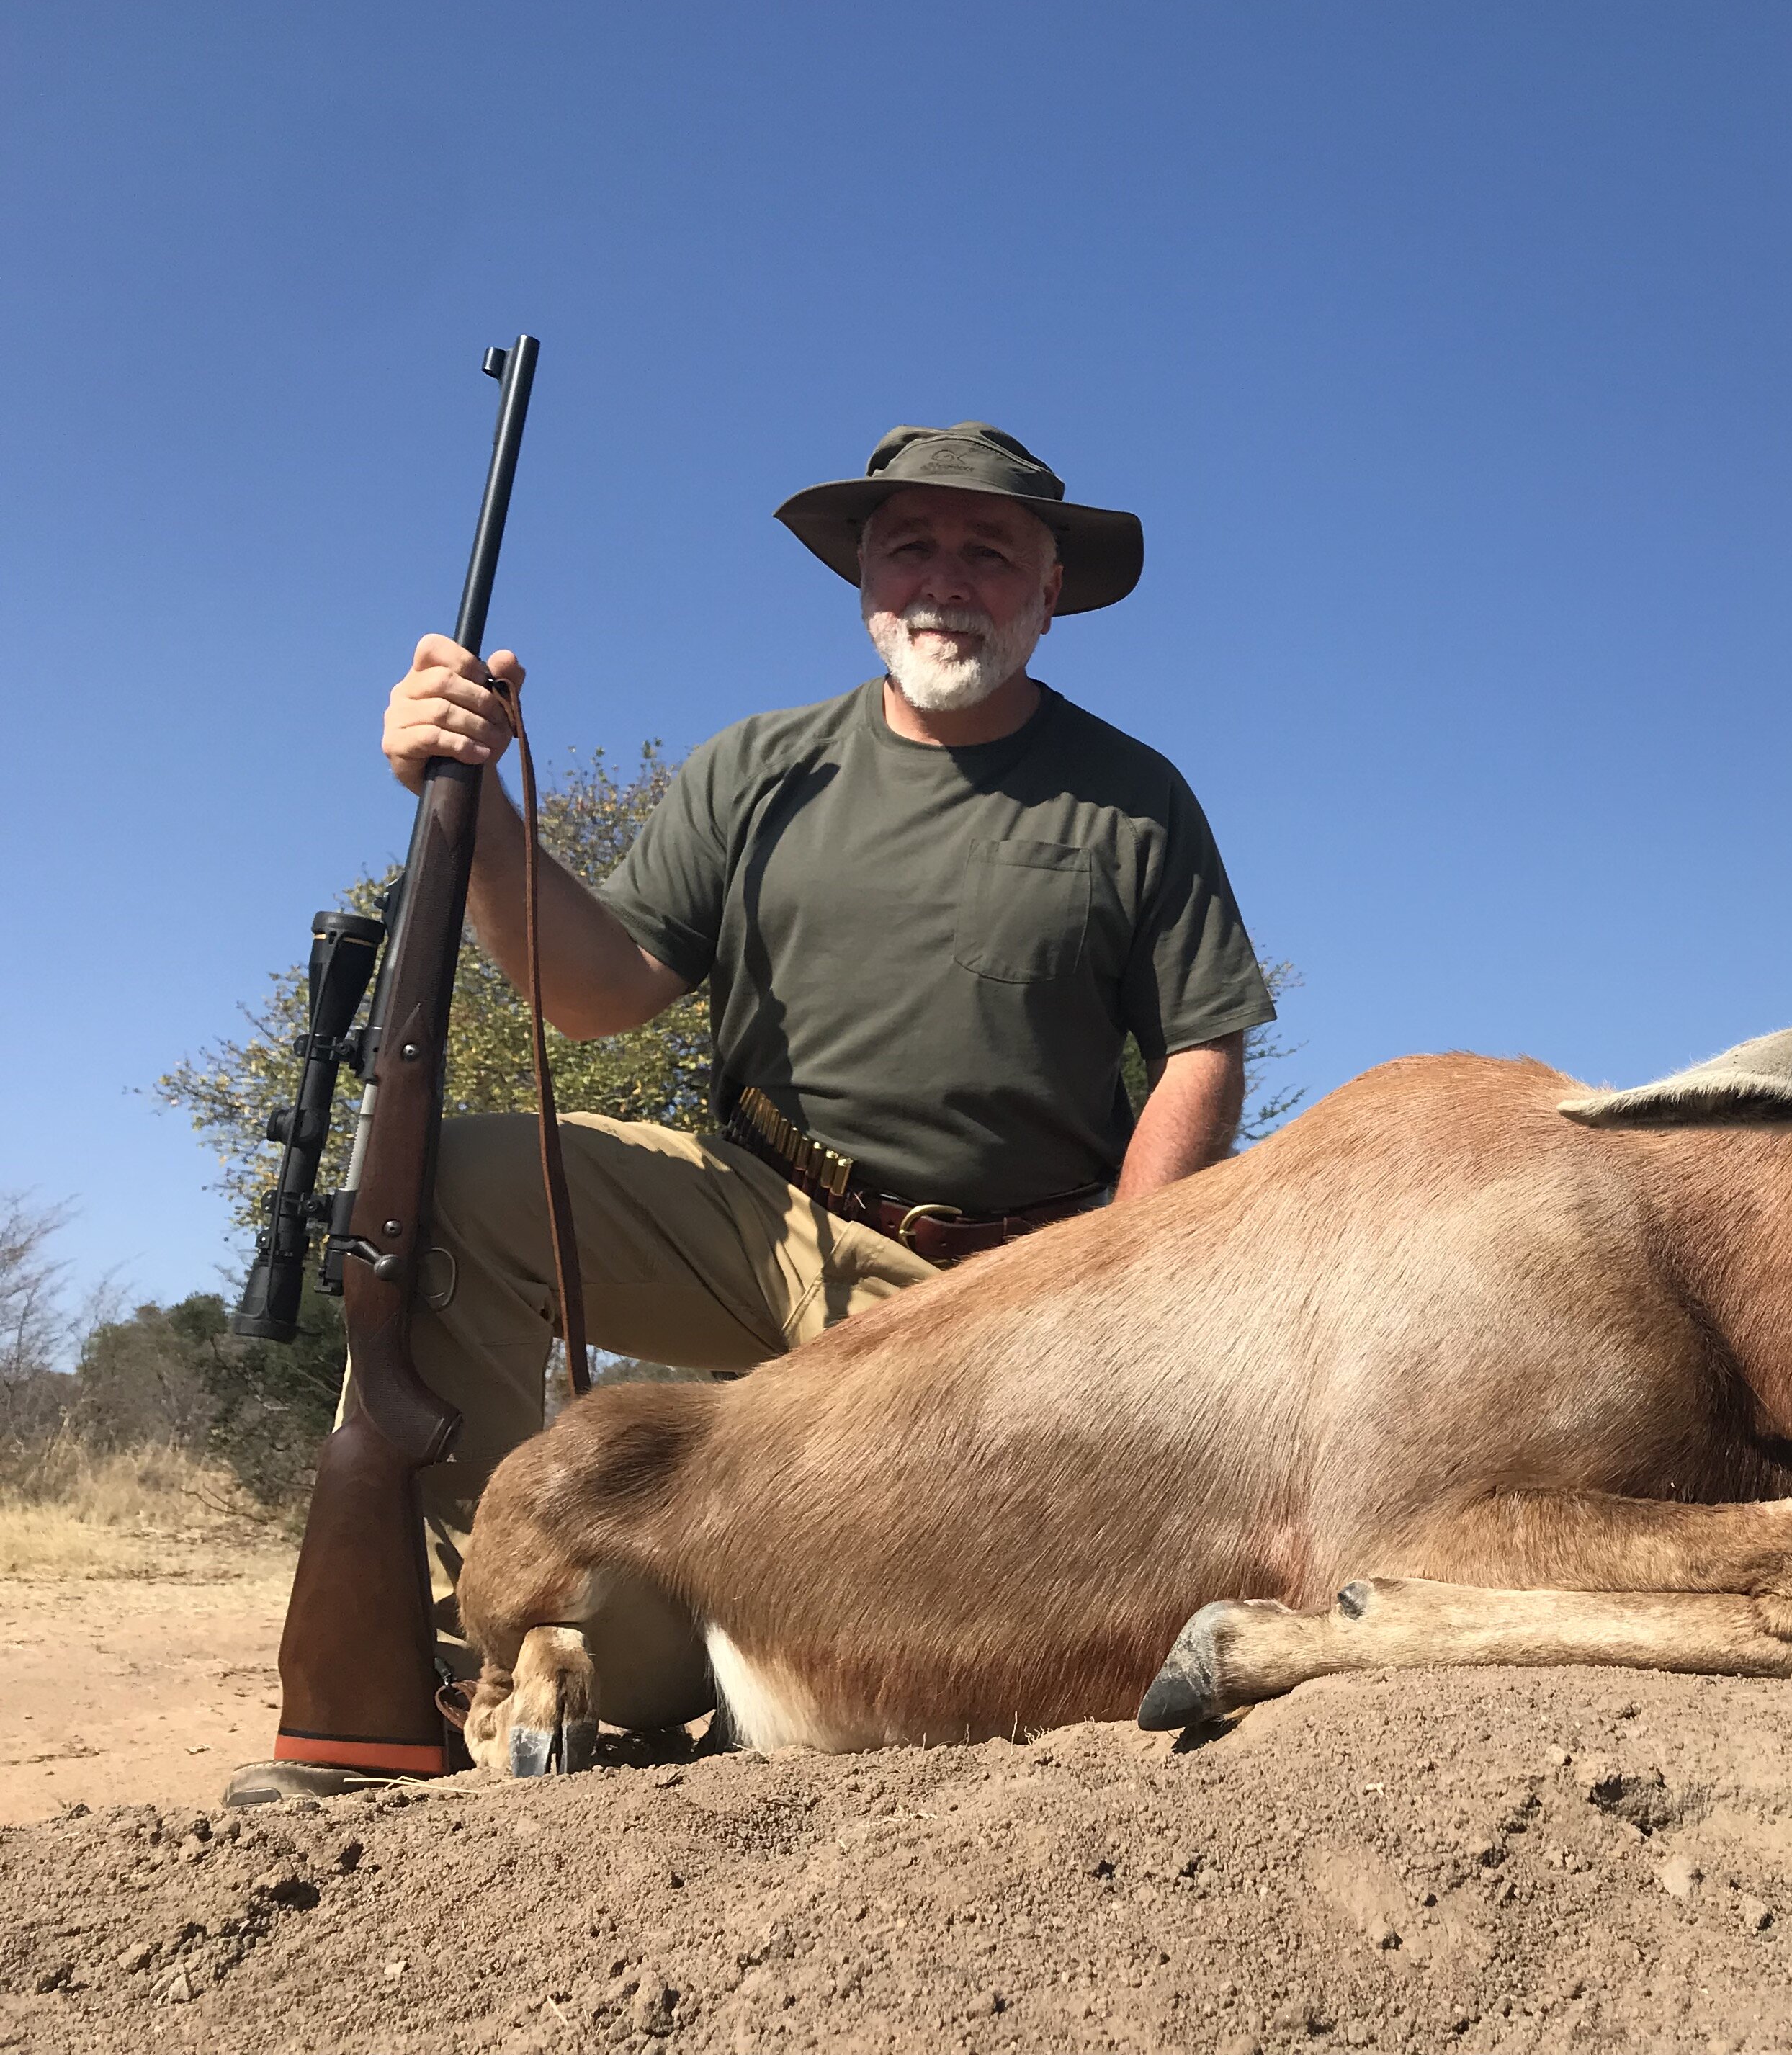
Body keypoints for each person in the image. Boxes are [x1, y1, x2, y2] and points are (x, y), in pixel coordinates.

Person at [230, 421, 1274, 1803]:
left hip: (994, 1282)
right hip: (754, 1208)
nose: (944, 579)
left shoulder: (1135, 797)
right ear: (863, 576)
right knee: (444, 1177)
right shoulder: (757, 766)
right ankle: (435, 1665)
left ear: (1047, 590)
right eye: (910, 543)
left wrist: (1122, 1286)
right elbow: (600, 993)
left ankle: (630, 1656)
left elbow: (1201, 1041)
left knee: (896, 1606)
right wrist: (472, 806)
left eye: (987, 551)